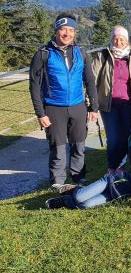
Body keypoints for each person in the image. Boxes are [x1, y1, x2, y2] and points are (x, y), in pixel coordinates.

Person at [29, 13, 99, 189]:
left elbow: (90, 81)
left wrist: (94, 107)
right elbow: (34, 86)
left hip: (78, 106)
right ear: (56, 30)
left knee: (79, 145)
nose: (67, 34)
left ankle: (79, 178)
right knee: (58, 148)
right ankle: (58, 182)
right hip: (54, 107)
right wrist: (40, 113)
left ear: (75, 32)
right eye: (63, 29)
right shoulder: (43, 54)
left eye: (71, 30)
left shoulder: (81, 53)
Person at [44, 155, 131, 209]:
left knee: (85, 205)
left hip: (112, 195)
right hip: (110, 181)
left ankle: (65, 201)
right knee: (79, 197)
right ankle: (74, 189)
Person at [92, 25, 131, 173]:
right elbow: (92, 79)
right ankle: (113, 167)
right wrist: (91, 104)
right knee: (113, 138)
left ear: (127, 40)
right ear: (111, 39)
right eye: (115, 38)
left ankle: (125, 165)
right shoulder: (103, 55)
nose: (118, 42)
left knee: (128, 135)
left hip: (129, 103)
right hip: (109, 104)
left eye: (122, 39)